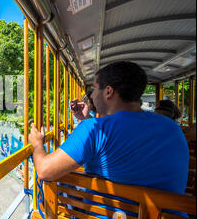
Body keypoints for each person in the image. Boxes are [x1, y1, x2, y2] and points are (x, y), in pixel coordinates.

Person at [28, 61, 189, 195]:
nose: (91, 95)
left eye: (95, 89)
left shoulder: (94, 129)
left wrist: (37, 144)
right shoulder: (172, 128)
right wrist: (86, 118)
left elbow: (44, 170)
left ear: (108, 92)